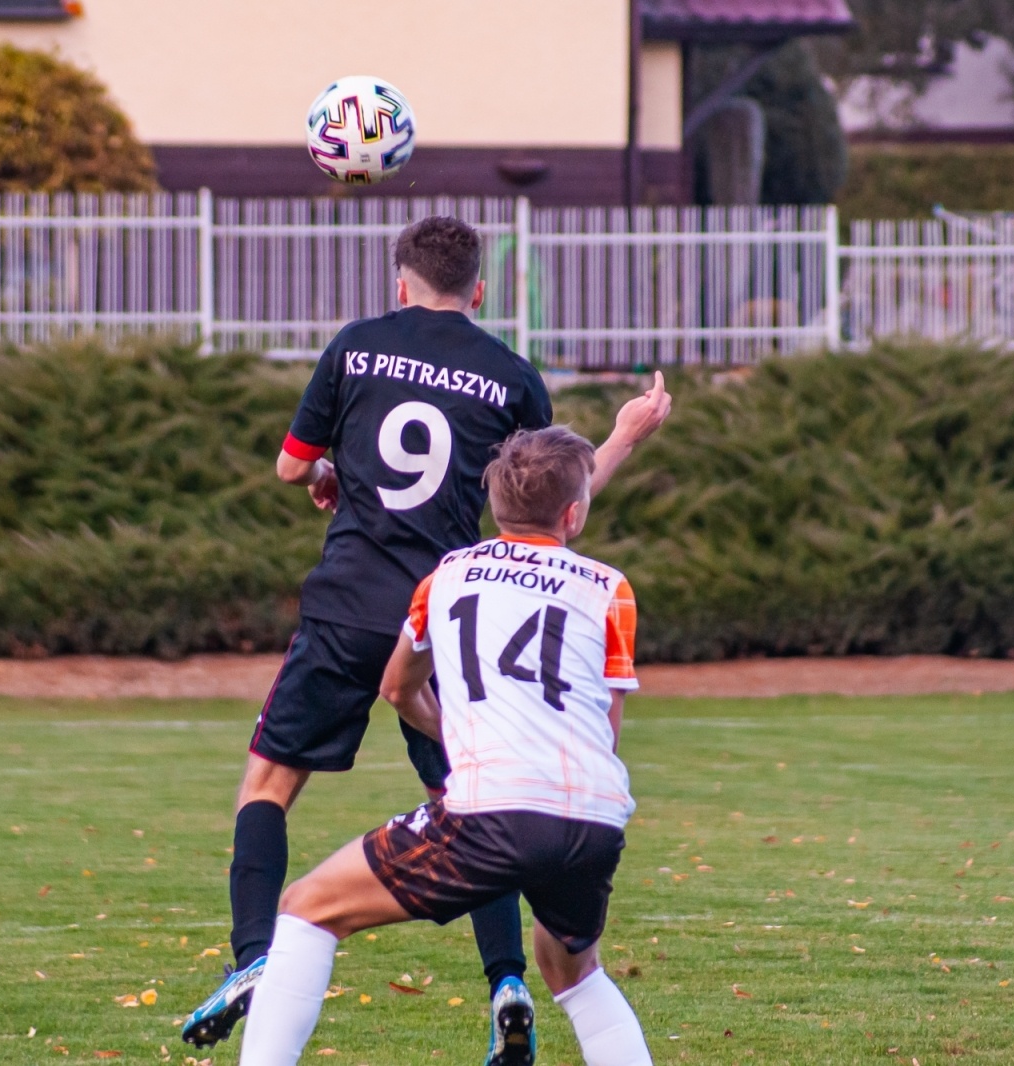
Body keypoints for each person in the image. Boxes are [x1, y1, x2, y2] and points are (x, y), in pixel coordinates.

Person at [182, 216, 670, 1062]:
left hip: (361, 607)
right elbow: (545, 501)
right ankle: (508, 981)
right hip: (455, 625)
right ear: (479, 291)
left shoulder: (357, 345)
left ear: (399, 282)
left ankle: (257, 955)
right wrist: (624, 436)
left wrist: (332, 473)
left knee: (267, 787)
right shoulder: (511, 377)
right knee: (473, 792)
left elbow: (291, 467)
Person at [236, 425, 653, 1066]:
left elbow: (397, 688)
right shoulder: (609, 587)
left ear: (493, 507)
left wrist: (457, 735)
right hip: (593, 815)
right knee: (574, 972)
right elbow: (607, 727)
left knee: (305, 909)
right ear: (573, 515)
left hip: (489, 811)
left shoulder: (449, 575)